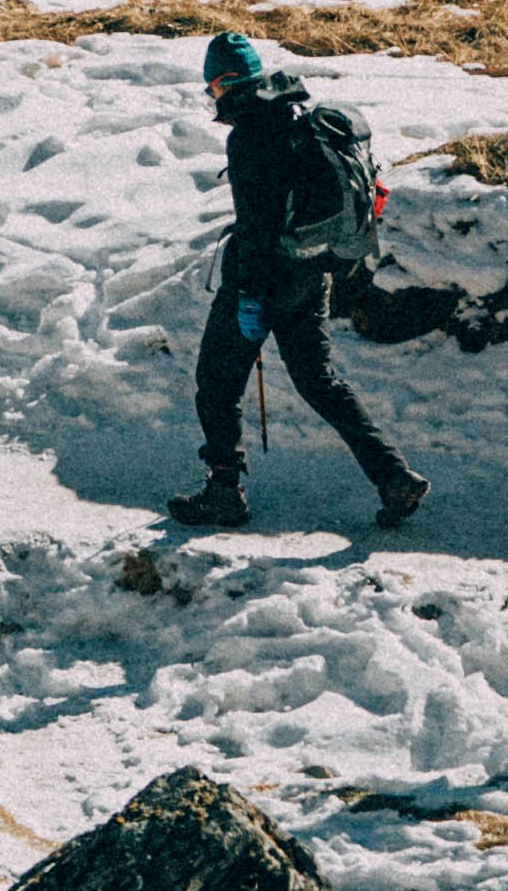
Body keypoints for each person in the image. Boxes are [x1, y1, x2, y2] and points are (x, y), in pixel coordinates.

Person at [175, 33, 425, 533]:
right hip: (310, 275)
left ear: (225, 83)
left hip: (263, 283)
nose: (213, 100)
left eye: (212, 89)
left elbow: (258, 230)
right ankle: (394, 476)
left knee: (217, 384)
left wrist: (247, 300)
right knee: (320, 382)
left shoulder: (248, 136)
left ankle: (224, 492)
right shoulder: (296, 117)